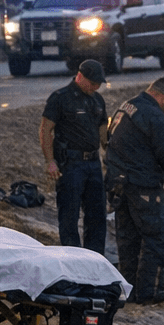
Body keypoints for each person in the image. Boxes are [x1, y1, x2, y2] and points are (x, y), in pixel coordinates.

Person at [106, 77, 164, 304]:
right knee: (156, 238)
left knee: (128, 239)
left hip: (118, 184)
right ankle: (149, 292)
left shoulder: (125, 106)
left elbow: (108, 139)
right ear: (163, 97)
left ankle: (129, 290)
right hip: (143, 185)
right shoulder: (154, 115)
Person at [40, 59, 108, 254]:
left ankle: (95, 259)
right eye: (93, 82)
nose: (96, 87)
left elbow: (103, 133)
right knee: (69, 215)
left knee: (97, 215)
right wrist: (50, 161)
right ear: (80, 76)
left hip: (93, 164)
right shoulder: (60, 98)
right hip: (70, 164)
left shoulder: (97, 100)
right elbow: (45, 130)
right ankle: (73, 258)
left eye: (99, 84)